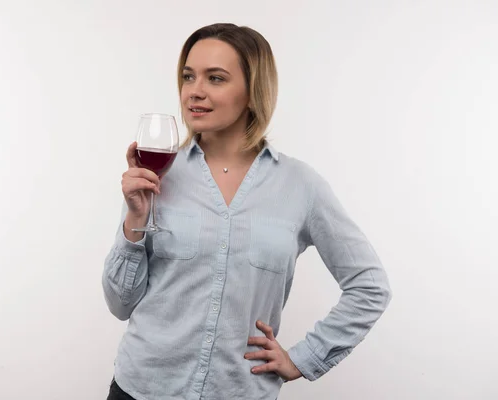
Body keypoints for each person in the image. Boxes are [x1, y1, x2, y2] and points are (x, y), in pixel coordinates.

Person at [102, 23, 392, 400]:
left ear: (253, 91)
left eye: (216, 78)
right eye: (189, 76)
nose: (195, 91)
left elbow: (370, 286)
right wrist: (135, 219)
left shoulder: (300, 186)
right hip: (141, 389)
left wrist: (304, 359)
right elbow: (120, 305)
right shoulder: (158, 173)